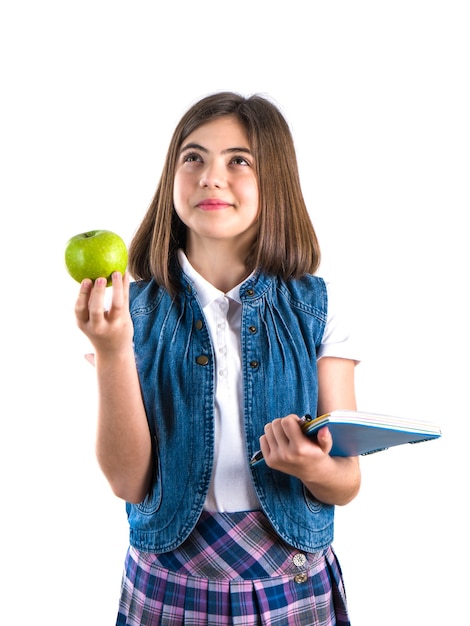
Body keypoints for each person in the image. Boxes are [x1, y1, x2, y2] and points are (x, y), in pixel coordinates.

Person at [75, 91, 361, 625]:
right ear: (171, 178)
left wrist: (313, 465)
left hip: (291, 587)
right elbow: (128, 483)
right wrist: (112, 350)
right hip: (165, 587)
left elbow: (346, 481)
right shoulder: (130, 314)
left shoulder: (318, 308)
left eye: (239, 161)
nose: (211, 177)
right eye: (194, 157)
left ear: (274, 180)